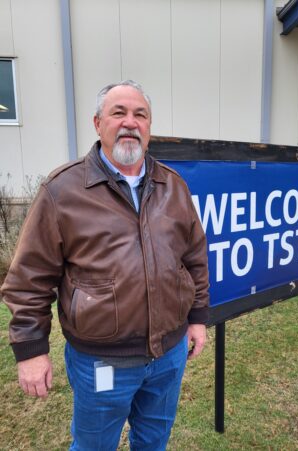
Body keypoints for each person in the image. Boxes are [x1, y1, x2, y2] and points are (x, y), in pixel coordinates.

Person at [1, 80, 210, 450]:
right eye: (119, 113)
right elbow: (29, 279)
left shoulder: (173, 186)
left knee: (154, 442)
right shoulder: (62, 191)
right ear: (98, 124)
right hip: (101, 361)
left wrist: (196, 318)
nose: (130, 122)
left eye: (140, 115)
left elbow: (193, 256)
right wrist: (31, 351)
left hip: (168, 356)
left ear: (149, 127)